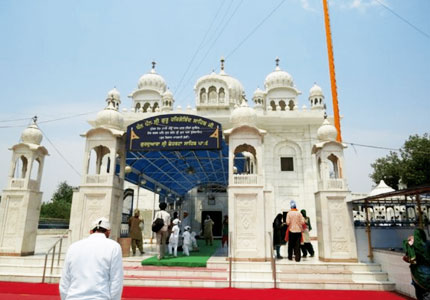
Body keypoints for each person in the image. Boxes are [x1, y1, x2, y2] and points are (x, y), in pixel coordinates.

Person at [59, 217, 123, 300]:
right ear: (108, 232)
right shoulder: (114, 247)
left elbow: (65, 280)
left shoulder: (73, 247)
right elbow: (116, 280)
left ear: (90, 231)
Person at [403, 228, 430, 300]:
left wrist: (409, 242)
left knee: (421, 294)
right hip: (428, 272)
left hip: (418, 273)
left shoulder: (413, 246)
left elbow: (411, 260)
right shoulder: (428, 243)